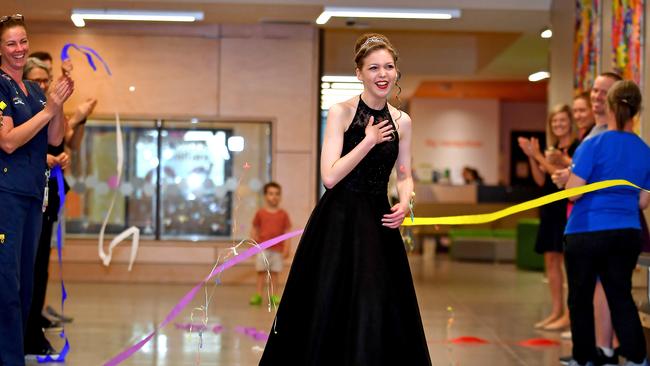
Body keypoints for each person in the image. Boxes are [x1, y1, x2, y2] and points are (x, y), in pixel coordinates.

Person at [259, 33, 431, 365]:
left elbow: (406, 173)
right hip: (338, 220)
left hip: (378, 221)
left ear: (396, 72)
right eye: (373, 67)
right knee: (329, 301)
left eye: (389, 67)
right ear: (359, 73)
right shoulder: (341, 112)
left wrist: (405, 202)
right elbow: (330, 176)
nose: (382, 74)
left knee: (377, 300)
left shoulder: (403, 121)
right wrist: (367, 141)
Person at [0, 14, 73, 365]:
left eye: (23, 41)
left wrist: (58, 103)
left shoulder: (32, 90)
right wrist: (49, 111)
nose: (19, 49)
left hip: (32, 197)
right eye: (11, 43)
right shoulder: (0, 85)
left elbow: (56, 138)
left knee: (26, 288)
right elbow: (9, 141)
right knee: (7, 288)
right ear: (1, 49)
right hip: (6, 196)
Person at [564, 80, 650, 366]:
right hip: (626, 232)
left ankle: (585, 358)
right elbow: (642, 202)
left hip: (586, 231)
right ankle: (637, 357)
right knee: (620, 294)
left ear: (611, 107)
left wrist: (567, 179)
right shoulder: (644, 150)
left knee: (580, 297)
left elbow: (573, 193)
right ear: (636, 110)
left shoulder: (593, 145)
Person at [553, 72, 624, 366]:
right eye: (593, 90)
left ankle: (604, 350)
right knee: (592, 291)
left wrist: (571, 181)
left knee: (600, 290)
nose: (596, 97)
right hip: (586, 223)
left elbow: (582, 188)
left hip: (600, 225)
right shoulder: (595, 133)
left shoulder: (614, 135)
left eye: (602, 91)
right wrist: (568, 175)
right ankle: (598, 349)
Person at [517, 104, 578, 331]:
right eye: (555, 121)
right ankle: (556, 310)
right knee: (551, 261)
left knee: (568, 264)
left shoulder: (576, 147)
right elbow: (541, 180)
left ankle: (571, 315)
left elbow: (558, 174)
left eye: (562, 120)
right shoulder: (552, 148)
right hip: (550, 208)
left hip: (568, 208)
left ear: (570, 122)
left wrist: (539, 156)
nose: (558, 125)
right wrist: (532, 157)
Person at [249, 182, 292, 307]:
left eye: (277, 194)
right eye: (271, 194)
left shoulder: (283, 214)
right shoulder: (260, 213)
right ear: (265, 196)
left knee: (274, 273)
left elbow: (287, 232)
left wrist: (287, 248)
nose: (274, 197)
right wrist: (253, 244)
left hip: (277, 250)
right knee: (261, 272)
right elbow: (254, 229)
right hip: (262, 249)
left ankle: (274, 295)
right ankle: (258, 295)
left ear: (280, 196)